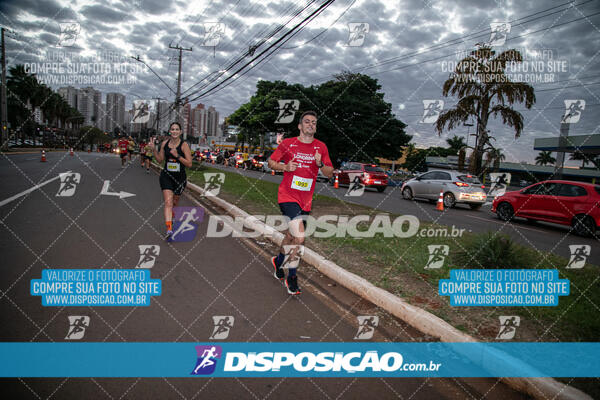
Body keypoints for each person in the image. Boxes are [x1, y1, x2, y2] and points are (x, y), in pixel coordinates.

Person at [267, 111, 333, 295]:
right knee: (300, 237)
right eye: (307, 122)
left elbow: (330, 173)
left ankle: (278, 262)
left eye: (314, 122)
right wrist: (285, 167)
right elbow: (271, 162)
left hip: (306, 201)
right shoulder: (288, 144)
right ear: (300, 126)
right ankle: (292, 276)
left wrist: (320, 165)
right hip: (287, 196)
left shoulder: (321, 147)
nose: (311, 124)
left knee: (291, 236)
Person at [153, 122, 193, 240]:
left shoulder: (184, 145)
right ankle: (169, 229)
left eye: (177, 129)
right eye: (172, 129)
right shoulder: (164, 144)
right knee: (168, 203)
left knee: (174, 203)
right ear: (169, 131)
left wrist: (177, 156)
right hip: (166, 176)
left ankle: (173, 217)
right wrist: (154, 149)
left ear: (180, 132)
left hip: (180, 178)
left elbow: (189, 164)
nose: (174, 131)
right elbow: (160, 160)